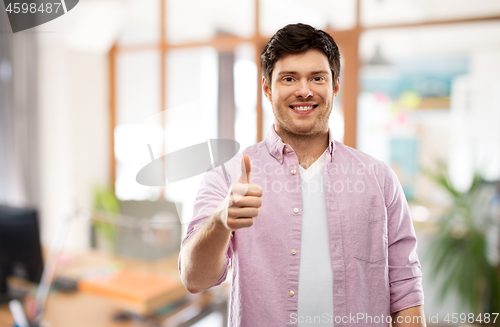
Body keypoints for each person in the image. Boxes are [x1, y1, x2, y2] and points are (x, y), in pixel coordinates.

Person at [179, 23, 425, 327]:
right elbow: (194, 278)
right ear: (268, 89)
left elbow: (406, 291)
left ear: (335, 86)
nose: (304, 90)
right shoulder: (227, 177)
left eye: (317, 78)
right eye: (289, 78)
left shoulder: (380, 178)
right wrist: (220, 220)